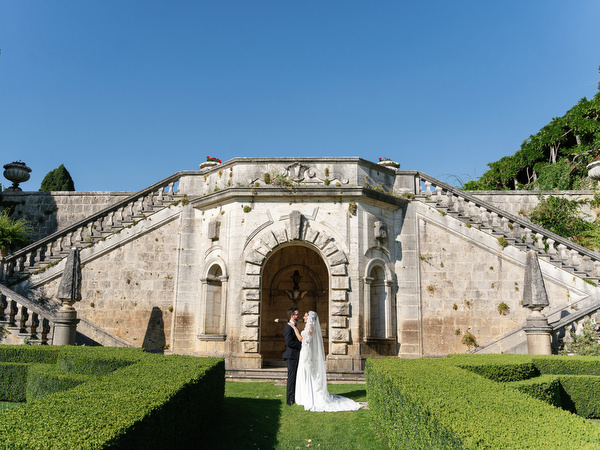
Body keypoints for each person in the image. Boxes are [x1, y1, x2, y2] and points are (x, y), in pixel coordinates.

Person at [294, 311, 361, 412]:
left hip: (306, 353)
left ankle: (307, 397)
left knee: (307, 373)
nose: (304, 317)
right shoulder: (309, 327)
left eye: (305, 316)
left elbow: (306, 341)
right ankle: (304, 396)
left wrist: (295, 330)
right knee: (306, 373)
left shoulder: (310, 327)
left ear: (310, 318)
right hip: (304, 352)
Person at [282, 306, 302, 406]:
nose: (299, 316)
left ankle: (294, 397)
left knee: (295, 377)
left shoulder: (295, 326)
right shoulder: (288, 327)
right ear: (292, 315)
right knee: (291, 377)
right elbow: (289, 343)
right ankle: (289, 399)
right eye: (297, 314)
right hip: (291, 356)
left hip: (296, 355)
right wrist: (302, 345)